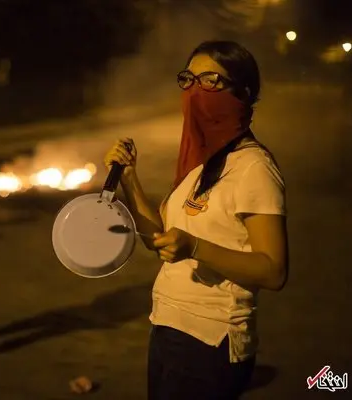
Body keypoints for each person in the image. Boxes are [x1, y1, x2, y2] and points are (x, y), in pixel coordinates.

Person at [104, 41, 289, 399]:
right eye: (188, 80)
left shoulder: (254, 168)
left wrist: (195, 247)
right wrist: (128, 178)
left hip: (212, 339)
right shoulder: (198, 166)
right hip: (167, 327)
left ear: (242, 93)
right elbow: (158, 239)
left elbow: (274, 271)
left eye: (210, 81)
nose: (195, 91)